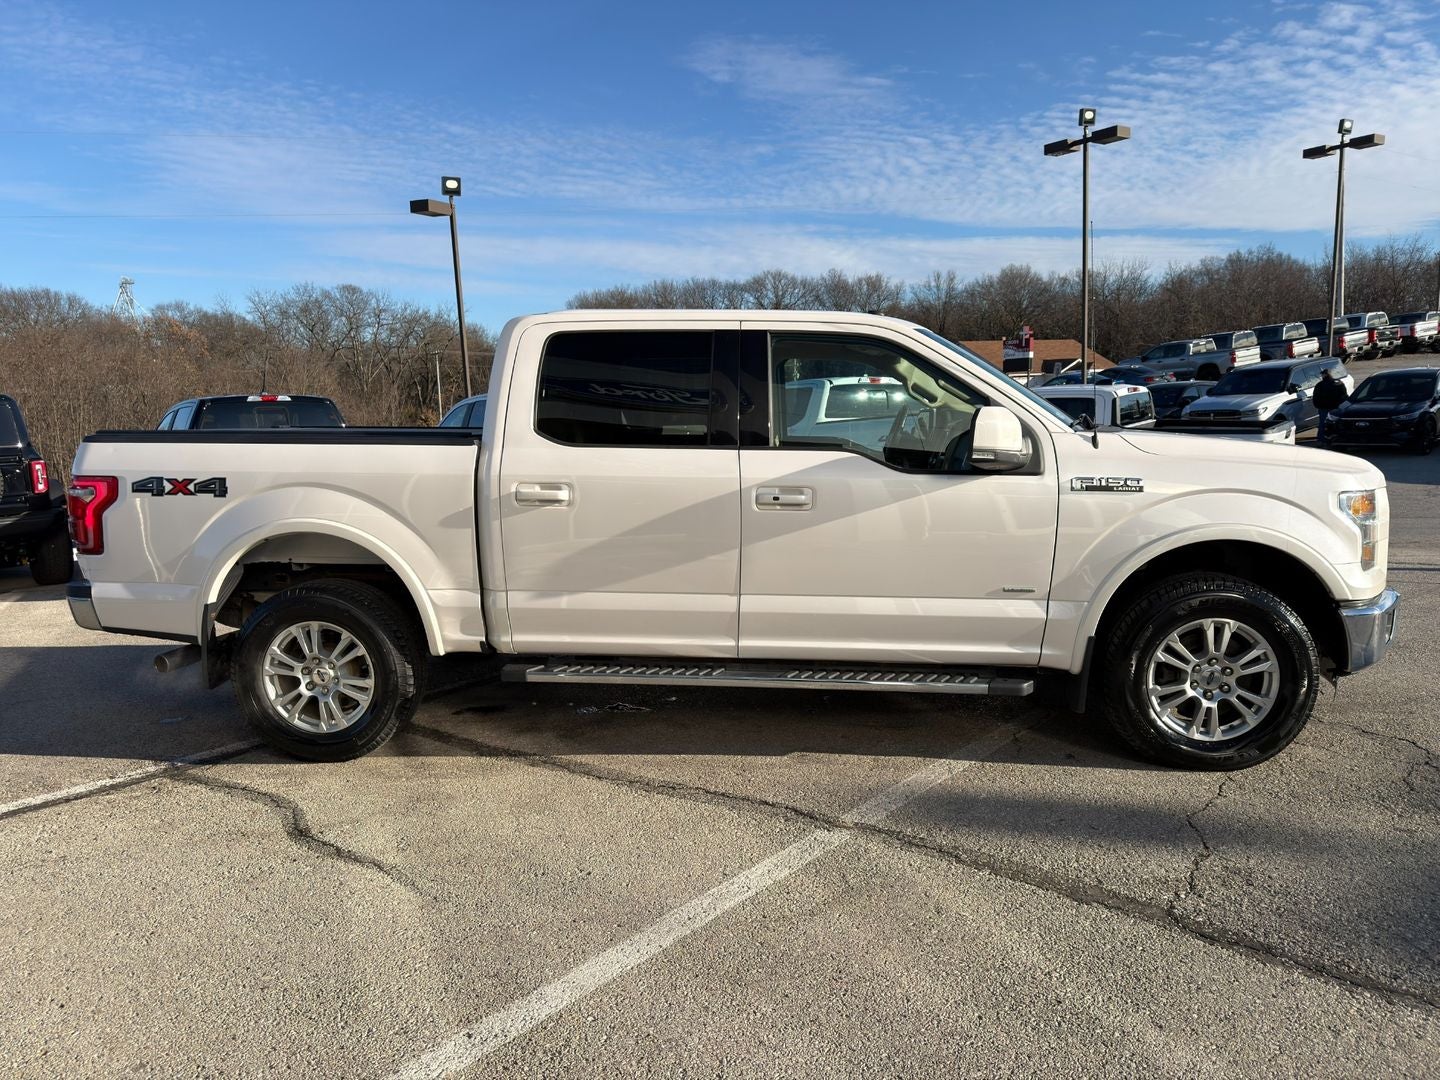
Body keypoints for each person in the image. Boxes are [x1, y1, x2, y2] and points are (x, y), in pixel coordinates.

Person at [1311, 369, 1348, 445]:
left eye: (1323, 374)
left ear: (1325, 375)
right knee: (1335, 424)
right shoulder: (1338, 383)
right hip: (1335, 408)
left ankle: (1322, 440)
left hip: (1324, 408)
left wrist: (1318, 405)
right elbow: (1344, 396)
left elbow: (1316, 397)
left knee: (1323, 424)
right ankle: (1335, 439)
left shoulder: (1320, 385)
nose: (1322, 376)